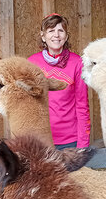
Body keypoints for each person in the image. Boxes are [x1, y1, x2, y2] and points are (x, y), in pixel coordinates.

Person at [28, 13, 91, 150]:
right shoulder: (32, 62)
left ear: (66, 36)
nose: (56, 35)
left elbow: (82, 105)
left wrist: (82, 145)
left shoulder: (77, 63)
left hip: (70, 141)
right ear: (43, 36)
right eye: (51, 31)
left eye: (60, 30)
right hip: (41, 140)